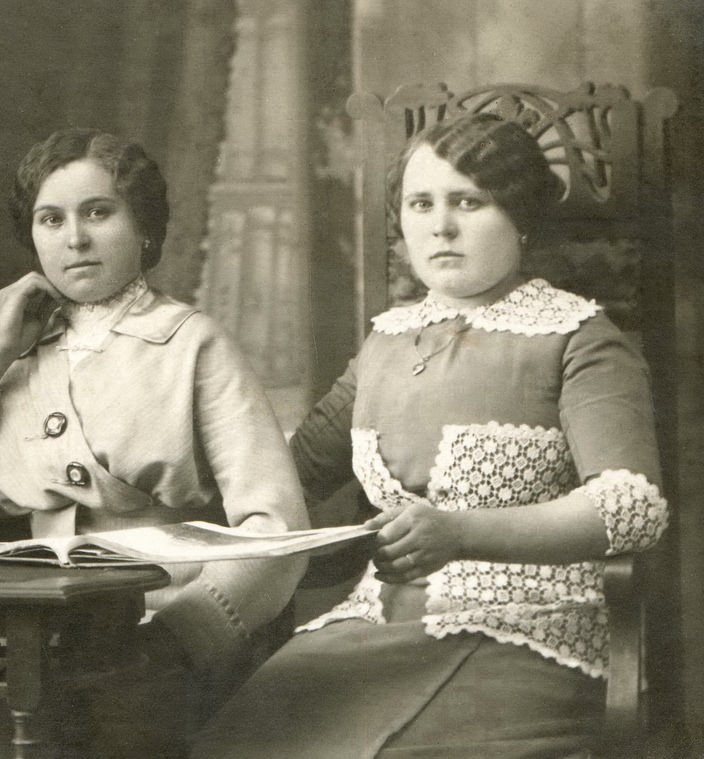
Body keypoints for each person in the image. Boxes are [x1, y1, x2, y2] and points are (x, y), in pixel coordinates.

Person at [191, 112, 669, 759]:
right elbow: (293, 469)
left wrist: (462, 531)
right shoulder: (386, 340)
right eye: (422, 203)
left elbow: (631, 507)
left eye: (468, 201)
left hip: (526, 633)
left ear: (521, 216)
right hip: (371, 627)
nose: (440, 225)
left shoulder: (579, 339)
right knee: (234, 743)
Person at [0, 128, 308, 757]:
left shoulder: (192, 344)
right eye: (51, 220)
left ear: (144, 228)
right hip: (37, 634)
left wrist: (185, 635)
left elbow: (277, 531)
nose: (74, 238)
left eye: (98, 213)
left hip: (165, 637)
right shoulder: (20, 352)